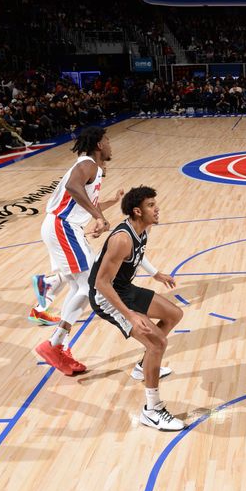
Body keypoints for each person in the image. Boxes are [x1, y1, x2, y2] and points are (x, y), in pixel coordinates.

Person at [89, 186, 185, 431]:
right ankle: (152, 410)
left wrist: (156, 274)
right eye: (151, 205)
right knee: (157, 343)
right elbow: (101, 283)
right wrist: (129, 314)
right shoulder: (121, 239)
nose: (157, 208)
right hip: (106, 297)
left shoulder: (141, 228)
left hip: (123, 288)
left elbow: (138, 254)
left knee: (174, 314)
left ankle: (143, 367)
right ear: (137, 211)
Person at [33, 127, 121, 372]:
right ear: (99, 145)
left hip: (63, 227)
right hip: (63, 226)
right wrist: (97, 217)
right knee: (92, 284)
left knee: (78, 286)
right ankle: (55, 344)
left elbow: (86, 203)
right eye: (108, 140)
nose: (110, 144)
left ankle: (59, 345)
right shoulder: (89, 164)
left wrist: (101, 216)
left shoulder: (94, 169)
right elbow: (73, 186)